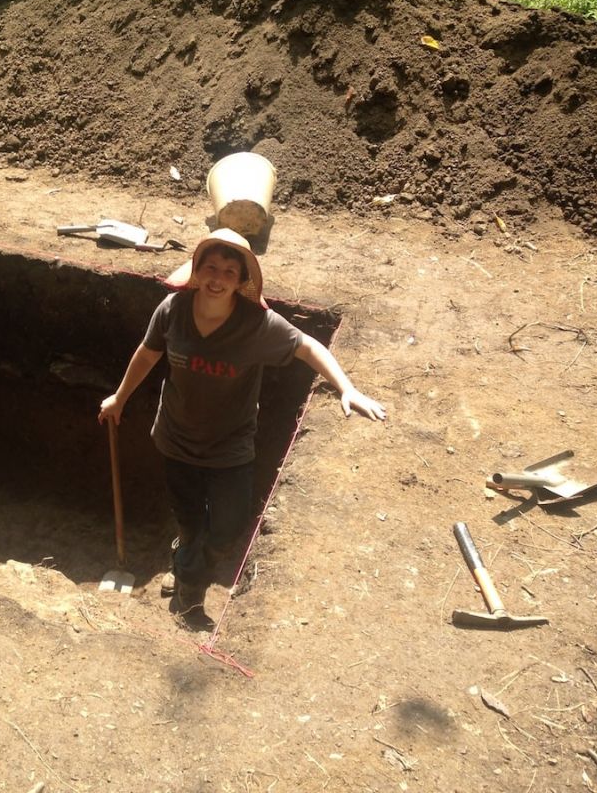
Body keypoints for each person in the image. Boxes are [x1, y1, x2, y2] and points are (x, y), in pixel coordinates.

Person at [97, 228, 385, 627]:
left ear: (241, 281)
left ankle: (185, 560)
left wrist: (348, 388)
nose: (217, 278)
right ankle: (190, 596)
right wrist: (120, 397)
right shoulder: (172, 310)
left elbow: (308, 346)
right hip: (176, 441)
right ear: (196, 271)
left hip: (230, 448)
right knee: (193, 522)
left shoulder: (257, 326)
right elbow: (147, 355)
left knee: (227, 528)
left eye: (229, 272)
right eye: (210, 268)